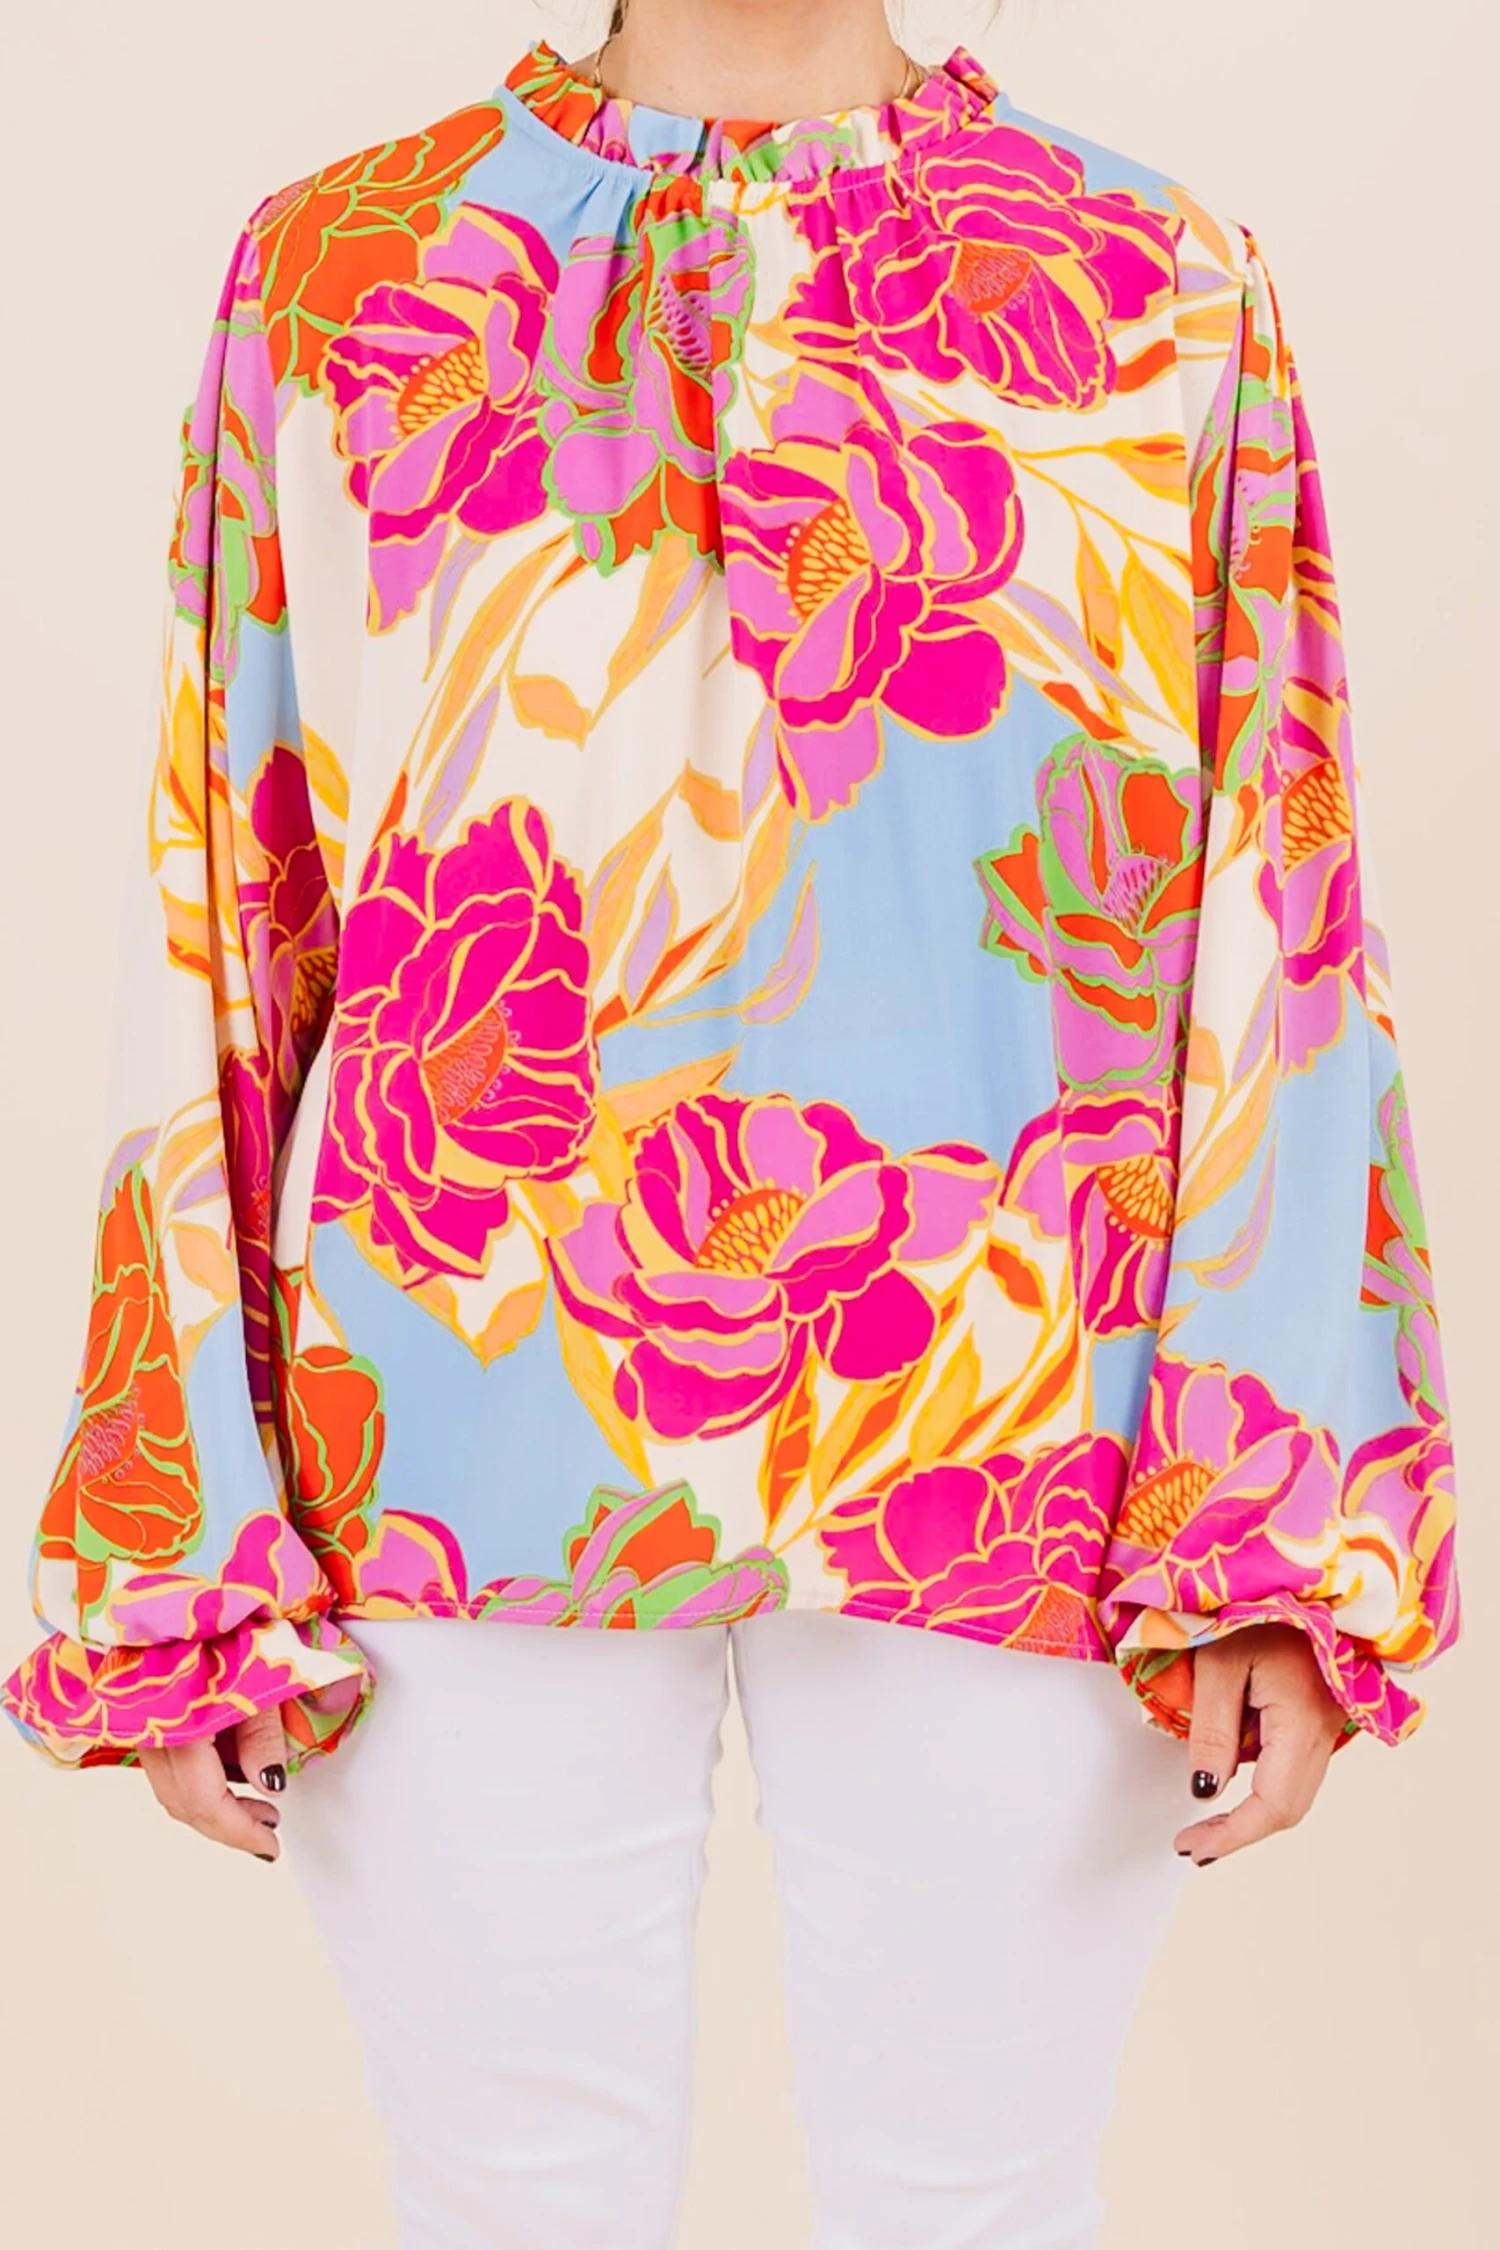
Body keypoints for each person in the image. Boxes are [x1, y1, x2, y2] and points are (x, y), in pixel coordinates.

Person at [3, 2, 1459, 2244]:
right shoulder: (338, 270)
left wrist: (1272, 1514)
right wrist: (189, 1516)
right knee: (512, 2212)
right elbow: (231, 881)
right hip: (448, 1411)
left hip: (1023, 1434)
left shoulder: (1158, 280)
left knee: (976, 2212)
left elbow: (1280, 901)